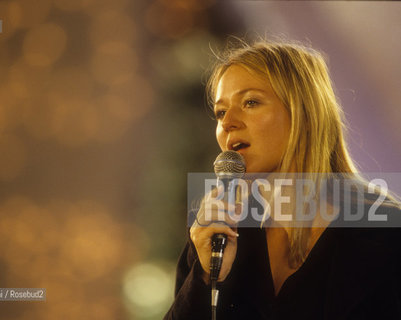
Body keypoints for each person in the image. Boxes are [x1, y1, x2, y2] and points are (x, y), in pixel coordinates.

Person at [164, 40, 401, 319]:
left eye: (250, 102)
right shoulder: (219, 230)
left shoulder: (383, 231)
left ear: (303, 112)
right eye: (221, 112)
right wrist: (203, 277)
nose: (228, 123)